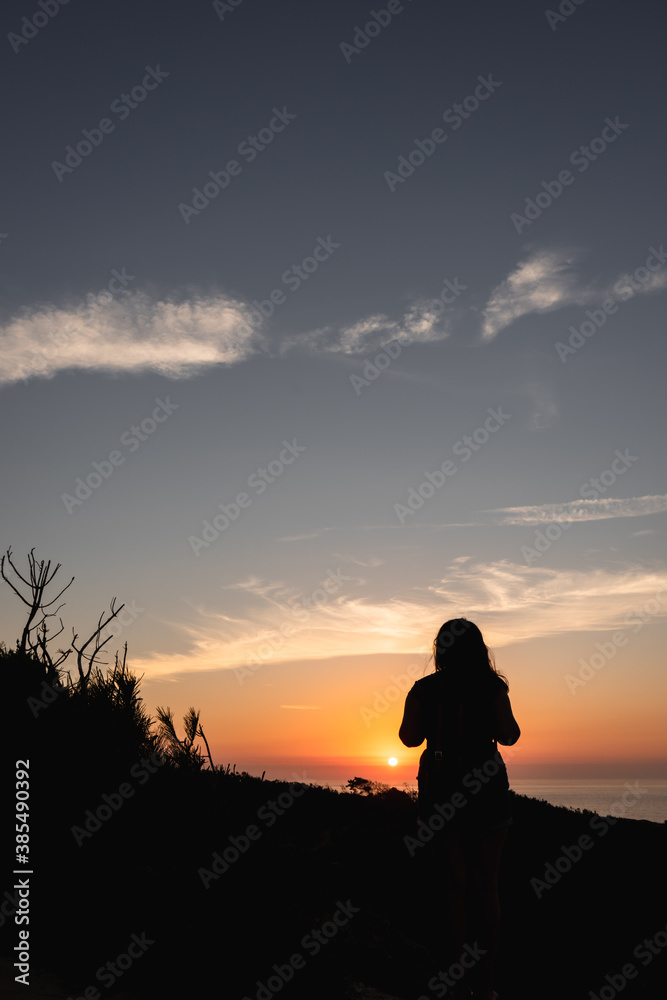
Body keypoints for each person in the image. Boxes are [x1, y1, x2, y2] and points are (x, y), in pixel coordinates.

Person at [399, 618, 520, 1000]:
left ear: (441, 649)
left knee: (453, 888)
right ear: (479, 649)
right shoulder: (492, 687)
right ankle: (485, 987)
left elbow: (408, 737)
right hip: (487, 791)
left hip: (441, 791)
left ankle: (453, 983)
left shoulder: (424, 689)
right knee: (488, 887)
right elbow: (509, 735)